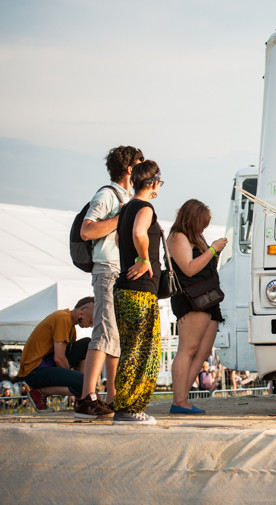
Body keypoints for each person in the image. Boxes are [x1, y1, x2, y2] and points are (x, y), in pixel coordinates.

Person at [75, 145, 144, 421]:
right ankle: (86, 397)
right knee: (104, 331)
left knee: (114, 335)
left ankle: (112, 396)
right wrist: (121, 218)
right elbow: (87, 230)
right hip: (106, 269)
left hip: (120, 269)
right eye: (140, 164)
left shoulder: (128, 196)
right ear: (129, 169)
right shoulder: (107, 195)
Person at [112, 160, 164, 425]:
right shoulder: (144, 207)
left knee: (132, 347)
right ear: (154, 183)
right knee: (144, 350)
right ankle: (129, 407)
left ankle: (125, 405)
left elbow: (122, 238)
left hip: (125, 289)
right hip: (140, 291)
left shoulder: (125, 208)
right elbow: (138, 233)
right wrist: (144, 259)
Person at [167, 199, 228, 414]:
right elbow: (189, 268)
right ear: (193, 219)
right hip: (192, 299)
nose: (205, 227)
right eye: (202, 222)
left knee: (202, 352)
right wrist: (213, 250)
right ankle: (179, 400)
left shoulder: (196, 237)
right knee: (188, 348)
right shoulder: (178, 237)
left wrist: (213, 252)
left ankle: (182, 398)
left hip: (208, 298)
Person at [17, 298, 95, 413]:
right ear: (81, 314)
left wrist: (74, 379)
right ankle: (40, 393)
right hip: (34, 371)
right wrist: (73, 379)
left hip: (45, 366)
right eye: (91, 321)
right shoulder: (62, 318)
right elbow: (59, 358)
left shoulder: (70, 327)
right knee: (85, 383)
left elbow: (69, 357)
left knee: (87, 344)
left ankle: (81, 397)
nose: (92, 325)